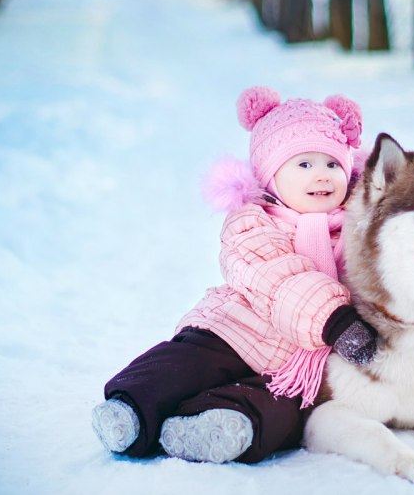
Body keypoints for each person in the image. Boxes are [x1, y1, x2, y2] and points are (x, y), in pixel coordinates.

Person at [92, 86, 377, 465]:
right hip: (235, 329)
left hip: (299, 364)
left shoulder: (358, 227)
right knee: (188, 363)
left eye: (332, 164)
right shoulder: (251, 222)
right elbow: (277, 277)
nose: (322, 176)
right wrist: (335, 320)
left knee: (287, 408)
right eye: (304, 164)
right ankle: (132, 407)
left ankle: (219, 424)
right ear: (270, 176)